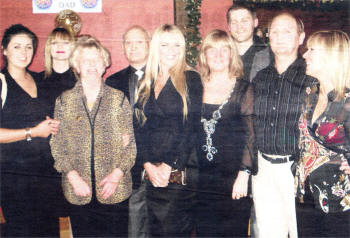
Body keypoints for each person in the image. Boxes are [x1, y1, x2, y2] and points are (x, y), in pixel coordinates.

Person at [50, 35, 136, 237]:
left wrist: (116, 176)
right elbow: (57, 144)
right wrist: (73, 177)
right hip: (79, 190)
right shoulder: (64, 101)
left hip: (115, 190)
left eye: (96, 59)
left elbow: (130, 145)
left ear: (105, 64)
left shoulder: (118, 99)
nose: (91, 64)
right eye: (85, 60)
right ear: (76, 66)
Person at [252, 12, 317, 238]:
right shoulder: (260, 78)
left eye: (287, 31)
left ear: (301, 38)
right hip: (263, 170)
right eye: (274, 32)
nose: (279, 37)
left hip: (297, 171)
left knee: (302, 232)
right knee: (269, 233)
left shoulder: (312, 77)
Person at [135, 24, 203, 237]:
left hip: (178, 172)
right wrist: (146, 163)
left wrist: (168, 166)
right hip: (152, 172)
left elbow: (191, 128)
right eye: (165, 45)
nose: (171, 50)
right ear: (156, 47)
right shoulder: (147, 81)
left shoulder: (191, 78)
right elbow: (139, 127)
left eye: (176, 45)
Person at [0, 24, 60, 237]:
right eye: (17, 47)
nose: (24, 52)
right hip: (13, 176)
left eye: (28, 47)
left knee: (49, 230)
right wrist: (32, 132)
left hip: (45, 173)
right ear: (5, 50)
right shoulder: (1, 82)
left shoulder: (41, 79)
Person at [195, 29, 255, 237]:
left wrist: (244, 174)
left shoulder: (243, 89)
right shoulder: (194, 86)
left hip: (232, 178)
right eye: (212, 50)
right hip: (200, 178)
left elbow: (251, 135)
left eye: (224, 50)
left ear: (232, 54)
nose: (218, 55)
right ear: (204, 55)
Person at [295, 30, 350, 237]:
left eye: (312, 50)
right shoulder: (310, 92)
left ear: (330, 56)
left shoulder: (347, 100)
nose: (305, 55)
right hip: (305, 195)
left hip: (338, 202)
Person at [105, 25, 150, 238]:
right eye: (128, 43)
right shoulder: (113, 82)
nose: (133, 47)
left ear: (149, 45)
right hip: (128, 163)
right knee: (133, 224)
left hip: (160, 162)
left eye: (139, 42)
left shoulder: (166, 76)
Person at [226, 4, 269, 82]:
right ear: (228, 26)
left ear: (255, 23)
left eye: (244, 21)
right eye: (234, 22)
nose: (239, 27)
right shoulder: (220, 54)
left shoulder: (269, 55)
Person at [39, 27, 76, 116]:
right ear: (49, 48)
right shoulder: (38, 79)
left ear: (72, 48)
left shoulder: (82, 79)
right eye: (55, 43)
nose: (60, 46)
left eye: (65, 43)